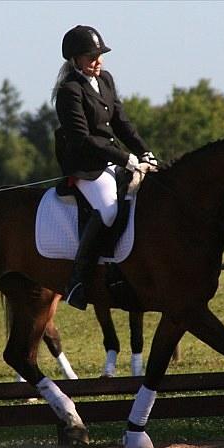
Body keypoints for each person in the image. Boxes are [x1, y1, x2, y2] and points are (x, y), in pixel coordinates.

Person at [53, 25, 159, 310]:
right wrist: (125, 159)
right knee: (110, 210)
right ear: (74, 60)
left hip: (114, 161)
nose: (97, 61)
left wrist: (144, 152)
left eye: (99, 55)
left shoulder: (106, 80)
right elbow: (82, 139)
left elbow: (122, 123)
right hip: (87, 166)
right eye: (91, 56)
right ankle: (78, 279)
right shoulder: (69, 91)